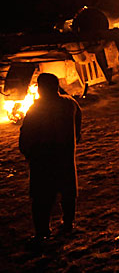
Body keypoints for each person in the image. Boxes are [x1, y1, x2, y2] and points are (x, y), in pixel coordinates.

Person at [19, 73, 82, 243]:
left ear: (41, 88)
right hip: (65, 155)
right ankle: (68, 223)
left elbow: (27, 133)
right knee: (67, 190)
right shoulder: (70, 103)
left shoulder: (37, 108)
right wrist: (73, 140)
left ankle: (42, 231)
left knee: (41, 196)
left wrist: (27, 151)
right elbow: (78, 125)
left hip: (43, 158)